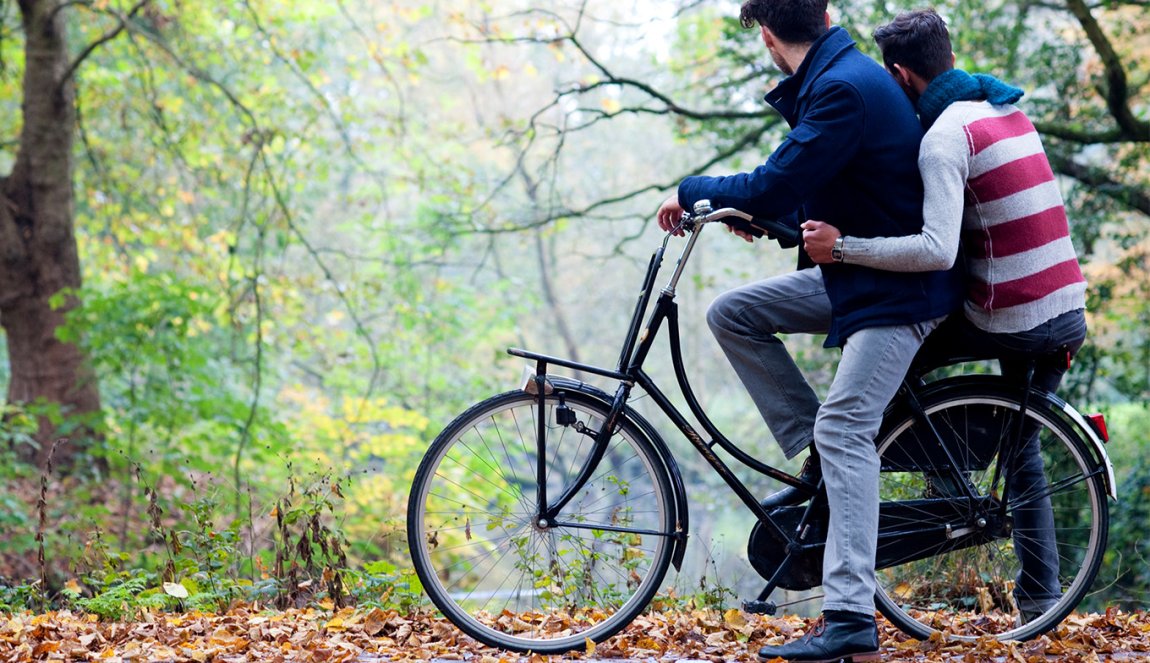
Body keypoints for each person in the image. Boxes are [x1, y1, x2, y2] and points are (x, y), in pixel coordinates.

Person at [655, 1, 962, 660]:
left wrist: (692, 190)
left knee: (846, 425)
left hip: (899, 290)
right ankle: (820, 459)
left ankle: (851, 615)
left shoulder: (841, 88)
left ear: (768, 36)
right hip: (862, 277)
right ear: (823, 13)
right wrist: (770, 218)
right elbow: (828, 185)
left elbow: (771, 180)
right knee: (734, 312)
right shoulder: (837, 77)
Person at [801, 8, 1088, 624]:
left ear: (900, 75)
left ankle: (939, 489)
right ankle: (1040, 599)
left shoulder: (943, 138)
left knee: (897, 337)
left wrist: (843, 247)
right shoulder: (1002, 108)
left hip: (1011, 318)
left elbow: (936, 250)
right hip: (1067, 310)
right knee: (1022, 447)